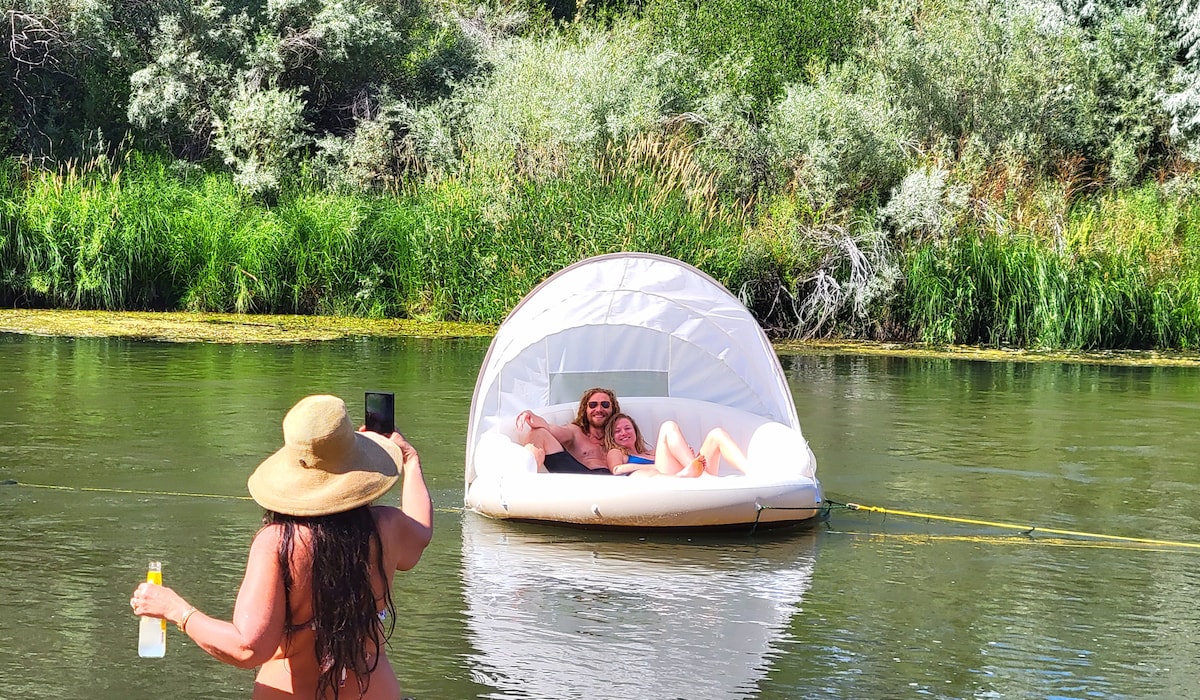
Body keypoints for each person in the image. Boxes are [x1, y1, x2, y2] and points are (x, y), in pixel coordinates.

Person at [129, 394, 433, 700]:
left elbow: (247, 648)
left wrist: (175, 609)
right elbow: (422, 533)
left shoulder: (278, 542)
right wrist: (411, 461)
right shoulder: (388, 527)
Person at [604, 412, 749, 478]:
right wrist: (655, 466)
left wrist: (687, 456)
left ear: (635, 431)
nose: (624, 432)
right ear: (612, 437)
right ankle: (701, 475)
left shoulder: (652, 452)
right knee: (668, 426)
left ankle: (751, 472)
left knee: (716, 434)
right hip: (671, 477)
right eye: (617, 431)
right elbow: (617, 469)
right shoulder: (617, 452)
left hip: (686, 473)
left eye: (627, 428)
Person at [515, 387, 620, 474]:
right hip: (577, 479)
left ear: (613, 409)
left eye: (605, 405)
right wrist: (531, 416)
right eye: (593, 405)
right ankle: (525, 478)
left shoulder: (621, 435)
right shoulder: (575, 432)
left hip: (611, 483)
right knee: (538, 433)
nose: (599, 409)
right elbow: (549, 428)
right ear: (585, 409)